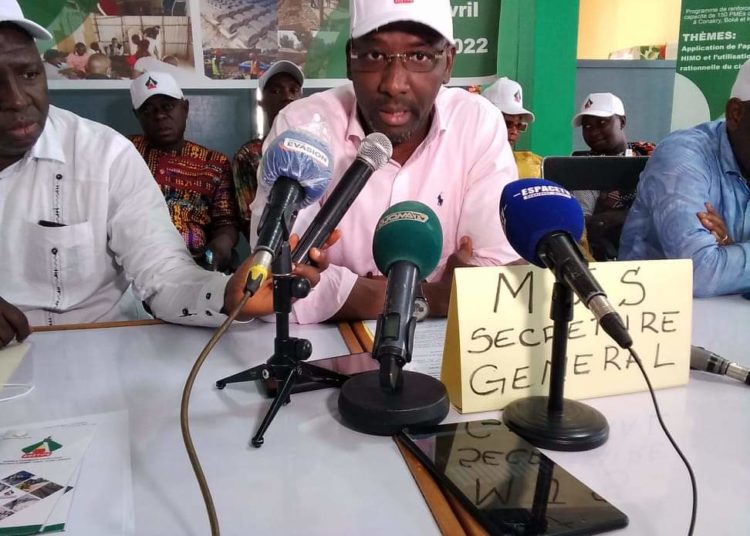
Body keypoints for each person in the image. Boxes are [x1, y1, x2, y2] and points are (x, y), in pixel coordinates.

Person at [0, 2, 329, 346]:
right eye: (150, 110)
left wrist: (226, 293)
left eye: (29, 74)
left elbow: (163, 271)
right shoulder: (135, 148)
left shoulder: (105, 155)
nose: (16, 100)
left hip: (106, 345)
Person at [248, 0, 520, 324]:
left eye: (419, 56)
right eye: (375, 55)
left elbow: (493, 279)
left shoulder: (476, 123)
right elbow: (274, 284)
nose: (393, 84)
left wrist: (349, 292)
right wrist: (432, 296)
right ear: (350, 60)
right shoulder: (302, 127)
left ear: (448, 62)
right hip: (324, 348)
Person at [620, 59, 750, 297]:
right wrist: (729, 254)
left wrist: (731, 249)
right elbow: (698, 272)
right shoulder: (682, 156)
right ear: (736, 114)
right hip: (654, 308)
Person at [128, 71, 240, 271]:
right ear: (137, 115)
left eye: (167, 106)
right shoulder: (123, 152)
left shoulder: (214, 163)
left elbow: (226, 221)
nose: (159, 116)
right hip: (132, 264)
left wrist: (222, 243)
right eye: (148, 110)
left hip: (193, 265)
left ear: (185, 108)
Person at [571, 92, 655, 260]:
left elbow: (666, 207)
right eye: (587, 126)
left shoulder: (650, 154)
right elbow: (582, 225)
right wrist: (632, 216)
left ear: (622, 122)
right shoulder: (584, 166)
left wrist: (615, 218)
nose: (594, 132)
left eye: (602, 123)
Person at [233, 60, 304, 237]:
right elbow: (248, 218)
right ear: (261, 102)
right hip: (268, 245)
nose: (287, 97)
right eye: (275, 91)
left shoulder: (318, 150)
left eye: (293, 90)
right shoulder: (249, 155)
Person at [482, 77, 542, 178]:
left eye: (519, 126)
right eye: (507, 124)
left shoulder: (533, 167)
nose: (514, 131)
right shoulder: (466, 162)